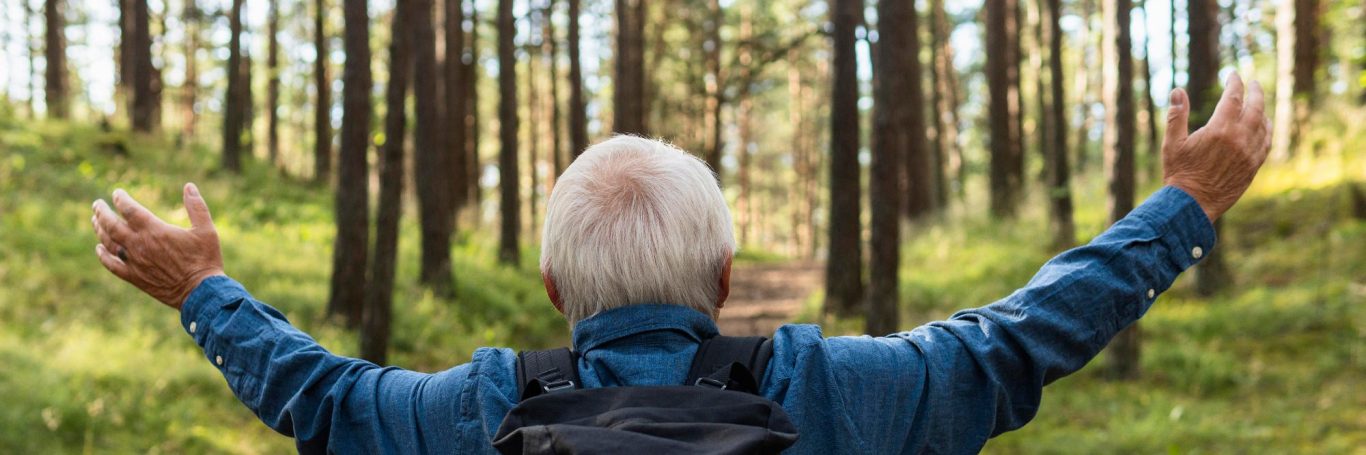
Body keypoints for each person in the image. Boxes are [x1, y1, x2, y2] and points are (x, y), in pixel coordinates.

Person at [90, 75, 1271, 454]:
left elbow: (324, 396)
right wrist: (1187, 199)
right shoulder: (833, 392)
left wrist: (200, 287)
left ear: (555, 289)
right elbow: (1018, 338)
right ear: (720, 277)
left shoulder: (487, 405)